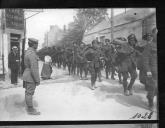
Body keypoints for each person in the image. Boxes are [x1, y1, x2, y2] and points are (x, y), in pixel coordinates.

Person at [23, 38, 40, 115]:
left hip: (27, 74)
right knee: (29, 93)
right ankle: (30, 110)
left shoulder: (28, 52)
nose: (37, 45)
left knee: (27, 92)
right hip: (30, 76)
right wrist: (37, 79)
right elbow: (34, 68)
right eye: (36, 44)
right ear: (33, 44)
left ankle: (29, 107)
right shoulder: (32, 53)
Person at [142, 31, 157, 110]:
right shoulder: (149, 46)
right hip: (153, 71)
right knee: (153, 87)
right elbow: (145, 59)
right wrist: (148, 70)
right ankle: (151, 102)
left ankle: (150, 96)